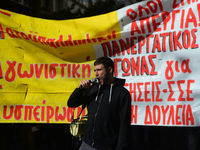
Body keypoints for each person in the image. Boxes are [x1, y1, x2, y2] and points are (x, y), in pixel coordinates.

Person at [67, 56, 131, 150]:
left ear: (109, 69)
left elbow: (124, 125)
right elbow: (71, 103)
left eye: (99, 70)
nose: (96, 74)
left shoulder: (122, 93)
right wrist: (80, 89)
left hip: (107, 146)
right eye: (95, 70)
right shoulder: (92, 89)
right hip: (87, 143)